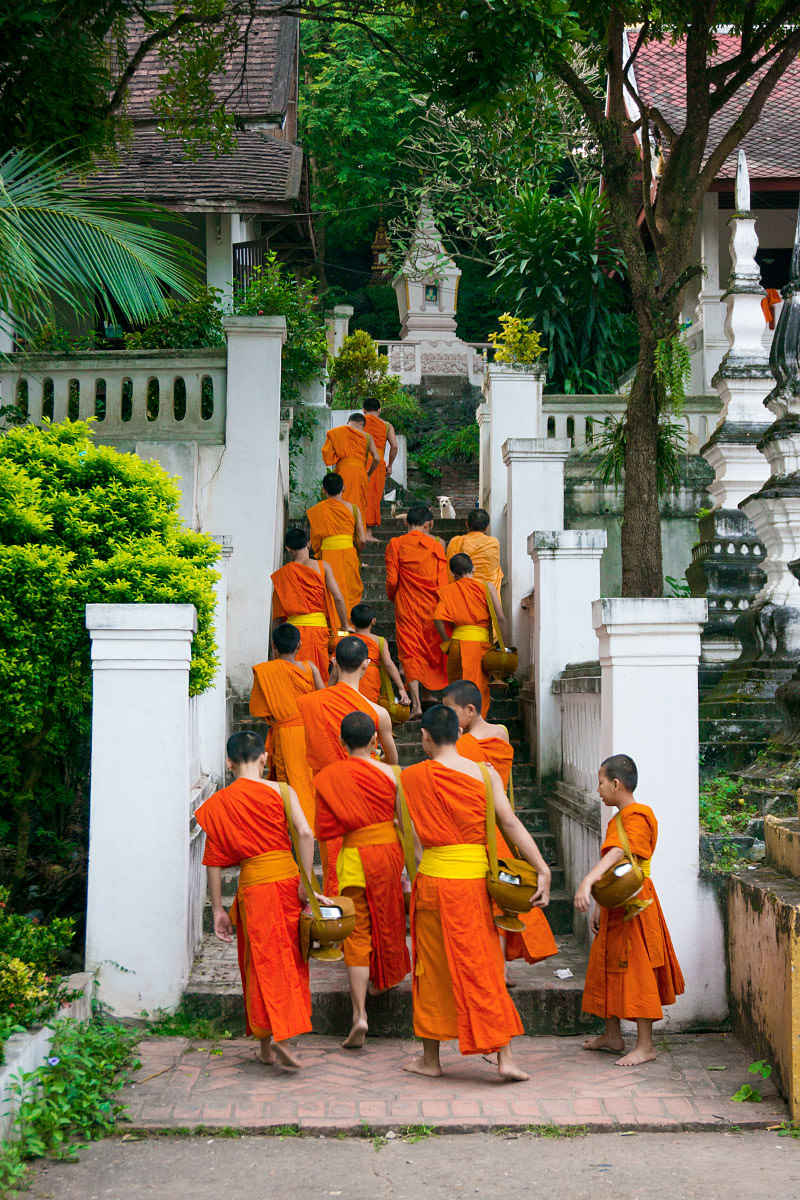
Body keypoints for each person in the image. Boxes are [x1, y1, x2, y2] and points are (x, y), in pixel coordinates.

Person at [401, 705, 552, 1082]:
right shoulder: (484, 775)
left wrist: (413, 876)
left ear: (426, 737)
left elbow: (411, 840)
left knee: (430, 970)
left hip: (433, 883)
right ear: (457, 732)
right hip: (472, 886)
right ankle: (505, 1058)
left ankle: (431, 1060)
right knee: (483, 966)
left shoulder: (410, 778)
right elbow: (510, 823)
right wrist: (542, 868)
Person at [195, 731, 322, 1071]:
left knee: (258, 962)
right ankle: (282, 1033)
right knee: (290, 958)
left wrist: (219, 908)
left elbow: (215, 861)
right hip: (286, 880)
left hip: (253, 888)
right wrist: (307, 883)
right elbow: (307, 833)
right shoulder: (282, 790)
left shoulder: (220, 803)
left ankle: (268, 1043)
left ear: (229, 762)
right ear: (264, 758)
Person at [574, 753, 685, 1068]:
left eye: (600, 783)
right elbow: (617, 870)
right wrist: (600, 904)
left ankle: (646, 1045)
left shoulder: (638, 815)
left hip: (637, 904)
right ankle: (612, 1035)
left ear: (616, 783)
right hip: (616, 902)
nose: (598, 790)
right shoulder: (618, 819)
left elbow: (621, 854)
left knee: (638, 970)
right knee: (608, 964)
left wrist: (588, 881)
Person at [443, 679, 558, 970]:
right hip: (500, 822)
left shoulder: (462, 747)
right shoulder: (501, 733)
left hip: (477, 827)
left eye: (450, 711)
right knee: (504, 893)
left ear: (469, 710)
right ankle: (502, 967)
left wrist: (456, 745)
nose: (447, 718)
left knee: (492, 896)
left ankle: (497, 966)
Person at [314, 711, 411, 1048]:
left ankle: (359, 1015)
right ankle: (382, 981)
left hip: (354, 856)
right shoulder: (392, 773)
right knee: (389, 920)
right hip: (387, 856)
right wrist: (411, 870)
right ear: (375, 741)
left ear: (341, 742)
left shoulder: (329, 776)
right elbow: (405, 825)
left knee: (356, 934)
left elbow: (326, 829)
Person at [298, 636, 399, 893]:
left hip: (332, 799)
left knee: (336, 872)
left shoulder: (311, 703)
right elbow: (393, 761)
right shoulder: (377, 712)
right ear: (366, 664)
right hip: (369, 800)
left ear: (334, 661)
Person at [249, 624, 324, 828]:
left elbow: (258, 710)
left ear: (274, 646)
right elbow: (323, 700)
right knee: (309, 780)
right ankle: (315, 823)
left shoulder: (266, 671)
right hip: (311, 733)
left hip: (285, 735)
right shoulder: (310, 667)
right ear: (299, 644)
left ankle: (298, 827)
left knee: (290, 782)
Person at [385, 506, 448, 719]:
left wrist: (394, 595)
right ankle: (428, 692)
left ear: (405, 523)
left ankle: (417, 704)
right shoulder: (437, 545)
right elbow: (443, 581)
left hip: (407, 606)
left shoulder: (396, 544)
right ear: (428, 524)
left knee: (410, 651)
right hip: (431, 607)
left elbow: (392, 580)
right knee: (429, 648)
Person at [271, 526, 348, 683]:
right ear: (308, 544)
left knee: (294, 676)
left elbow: (278, 615)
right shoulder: (322, 566)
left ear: (288, 548)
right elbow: (339, 598)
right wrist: (344, 627)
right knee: (317, 674)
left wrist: (275, 644)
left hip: (292, 633)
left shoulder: (284, 574)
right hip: (317, 632)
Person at [434, 552, 506, 717]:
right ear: (473, 568)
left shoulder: (448, 591)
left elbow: (437, 618)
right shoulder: (487, 587)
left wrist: (447, 641)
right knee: (477, 690)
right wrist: (504, 646)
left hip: (456, 646)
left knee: (457, 690)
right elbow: (500, 617)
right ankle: (474, 729)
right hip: (479, 647)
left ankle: (458, 726)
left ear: (453, 573)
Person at [329, 602, 410, 707]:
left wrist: (328, 690)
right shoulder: (379, 641)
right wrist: (401, 689)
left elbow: (335, 669)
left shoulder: (345, 641)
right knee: (369, 711)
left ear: (351, 621)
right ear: (373, 621)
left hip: (348, 681)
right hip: (370, 683)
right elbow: (389, 664)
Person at [307, 473, 364, 619]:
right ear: (344, 488)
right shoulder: (354, 509)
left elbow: (315, 540)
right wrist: (356, 553)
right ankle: (350, 624)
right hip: (349, 553)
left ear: (324, 490)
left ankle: (334, 626)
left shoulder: (317, 511)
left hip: (327, 555)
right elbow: (362, 539)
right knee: (351, 590)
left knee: (330, 591)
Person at [321, 412, 380, 529]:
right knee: (358, 504)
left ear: (349, 421)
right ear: (361, 423)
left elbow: (327, 456)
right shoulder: (367, 437)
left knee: (340, 500)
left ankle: (340, 529)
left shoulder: (337, 432)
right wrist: (369, 473)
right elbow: (377, 458)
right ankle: (357, 534)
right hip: (360, 473)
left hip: (343, 471)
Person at [362, 396, 398, 537]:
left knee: (360, 496)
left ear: (363, 410)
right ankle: (369, 533)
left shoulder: (360, 422)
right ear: (379, 410)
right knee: (373, 497)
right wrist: (389, 465)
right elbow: (394, 446)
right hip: (378, 465)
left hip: (362, 462)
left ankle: (358, 532)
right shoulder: (387, 425)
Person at [446, 508, 504, 592]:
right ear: (486, 528)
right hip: (487, 595)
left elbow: (449, 571)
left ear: (467, 524)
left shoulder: (456, 541)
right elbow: (495, 570)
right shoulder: (493, 542)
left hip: (462, 593)